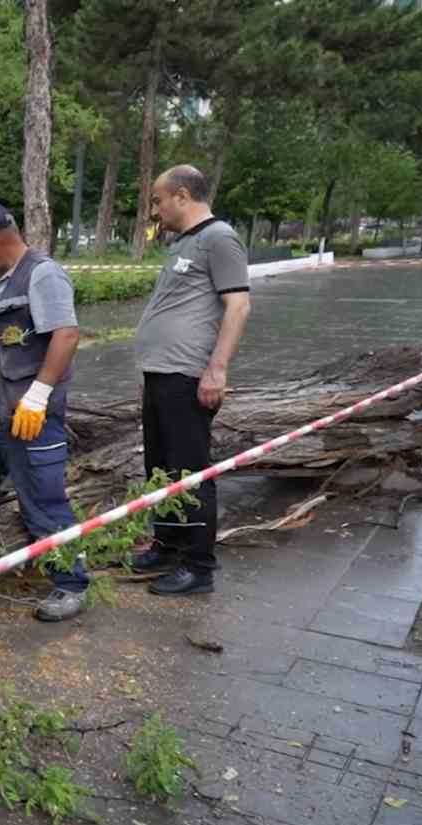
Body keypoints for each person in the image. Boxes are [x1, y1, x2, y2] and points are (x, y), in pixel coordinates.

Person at [0, 199, 90, 623]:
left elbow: (66, 335)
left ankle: (71, 583)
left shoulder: (42, 275)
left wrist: (39, 394)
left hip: (28, 418)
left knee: (43, 502)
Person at [131, 165, 251, 595]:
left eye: (159, 200)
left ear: (182, 196)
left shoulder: (219, 239)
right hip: (162, 373)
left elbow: (237, 307)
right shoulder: (185, 242)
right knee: (160, 469)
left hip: (188, 375)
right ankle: (167, 546)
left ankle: (199, 566)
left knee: (191, 471)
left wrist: (216, 369)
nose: (156, 210)